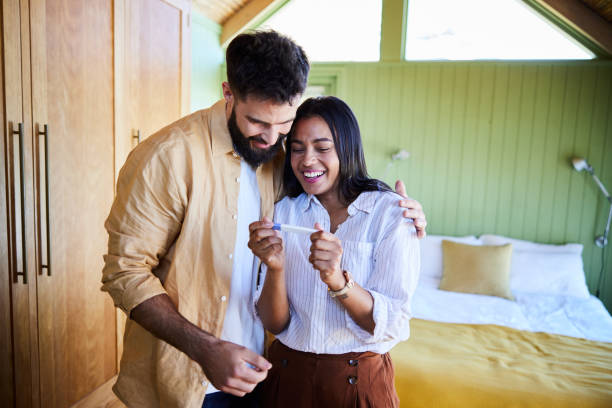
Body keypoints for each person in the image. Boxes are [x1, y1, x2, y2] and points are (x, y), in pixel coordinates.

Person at [101, 31, 427, 408]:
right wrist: (206, 349)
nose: (272, 139)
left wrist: (405, 215)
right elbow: (124, 273)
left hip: (265, 375)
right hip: (190, 380)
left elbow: (338, 191)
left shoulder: (281, 163)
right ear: (228, 93)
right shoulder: (168, 157)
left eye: (284, 124)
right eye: (257, 122)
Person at [248, 96, 420, 407]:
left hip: (358, 385)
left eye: (322, 148)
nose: (307, 160)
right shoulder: (283, 212)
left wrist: (337, 281)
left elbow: (392, 322)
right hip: (286, 379)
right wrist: (275, 267)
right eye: (297, 148)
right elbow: (276, 325)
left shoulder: (391, 213)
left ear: (347, 148)